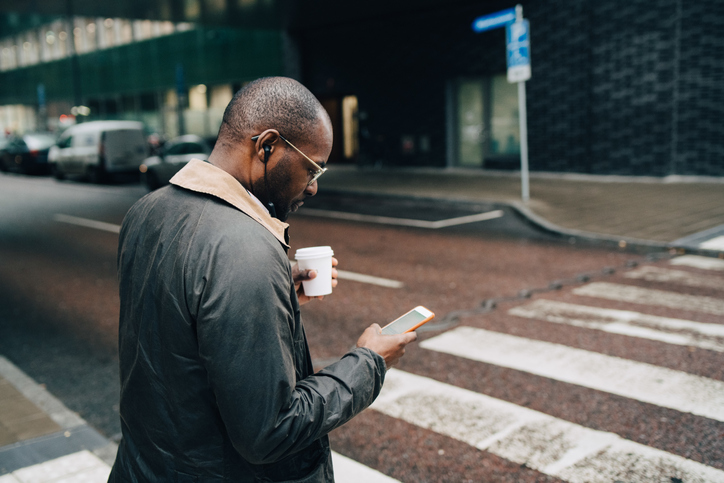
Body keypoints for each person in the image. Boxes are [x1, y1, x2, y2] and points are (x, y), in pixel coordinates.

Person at [108, 77, 417, 482]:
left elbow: (178, 320)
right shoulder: (246, 249)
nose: (314, 185)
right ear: (267, 145)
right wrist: (369, 363)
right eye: (312, 166)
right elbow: (270, 432)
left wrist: (276, 292)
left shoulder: (146, 211)